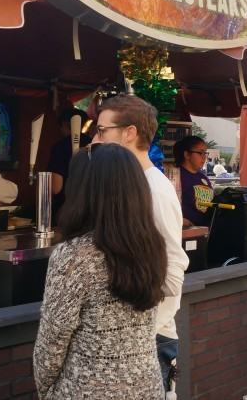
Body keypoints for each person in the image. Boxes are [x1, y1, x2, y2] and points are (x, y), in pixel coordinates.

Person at [33, 144, 167, 398]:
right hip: (147, 386)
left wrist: (45, 389)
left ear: (83, 189)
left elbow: (52, 342)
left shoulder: (74, 255)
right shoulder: (151, 244)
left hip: (86, 390)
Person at [92, 95, 189, 393]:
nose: (95, 139)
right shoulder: (130, 185)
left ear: (129, 133)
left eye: (101, 130)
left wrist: (137, 328)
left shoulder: (154, 190)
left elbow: (174, 272)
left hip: (150, 341)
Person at [46, 107, 91, 219]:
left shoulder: (60, 148)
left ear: (65, 124)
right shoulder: (94, 144)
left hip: (66, 210)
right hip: (91, 209)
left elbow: (56, 187)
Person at [173, 135, 214, 227]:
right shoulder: (175, 176)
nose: (204, 157)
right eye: (200, 153)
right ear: (187, 154)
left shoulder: (204, 178)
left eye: (205, 153)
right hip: (186, 231)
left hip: (205, 231)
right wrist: (179, 219)